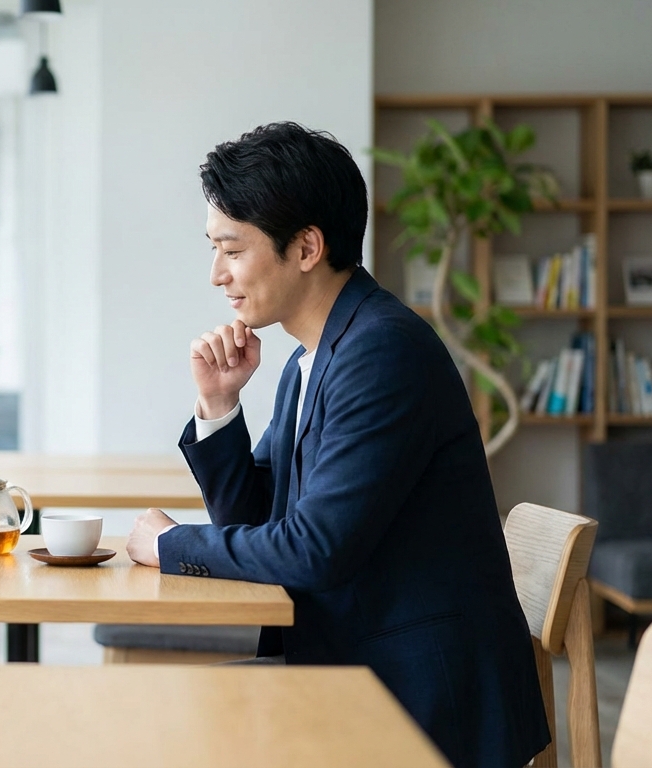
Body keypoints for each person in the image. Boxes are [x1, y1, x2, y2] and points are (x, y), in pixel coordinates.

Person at [125, 123, 549, 767]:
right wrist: (219, 404)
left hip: (421, 698)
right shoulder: (308, 361)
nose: (217, 275)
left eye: (232, 251)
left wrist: (168, 545)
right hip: (353, 663)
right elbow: (263, 525)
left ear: (306, 248)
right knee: (163, 720)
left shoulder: (382, 351)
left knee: (168, 730)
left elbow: (313, 550)